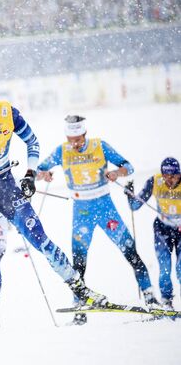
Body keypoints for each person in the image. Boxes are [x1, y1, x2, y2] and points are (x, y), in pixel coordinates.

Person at [0, 69, 107, 333]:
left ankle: (80, 290)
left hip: (4, 184)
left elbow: (33, 142)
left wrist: (29, 174)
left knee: (40, 238)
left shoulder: (7, 113)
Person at [37, 115, 159, 325]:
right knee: (79, 262)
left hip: (105, 208)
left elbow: (128, 166)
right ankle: (80, 307)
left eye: (78, 138)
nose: (75, 143)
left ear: (85, 133)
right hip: (81, 211)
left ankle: (151, 298)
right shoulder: (62, 150)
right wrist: (45, 174)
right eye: (71, 138)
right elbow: (40, 170)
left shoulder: (99, 146)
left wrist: (116, 172)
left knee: (129, 251)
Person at [125, 157, 181, 310]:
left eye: (174, 175)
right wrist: (130, 195)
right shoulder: (155, 181)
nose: (170, 179)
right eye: (166, 175)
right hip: (163, 229)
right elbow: (135, 205)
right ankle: (167, 300)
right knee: (164, 268)